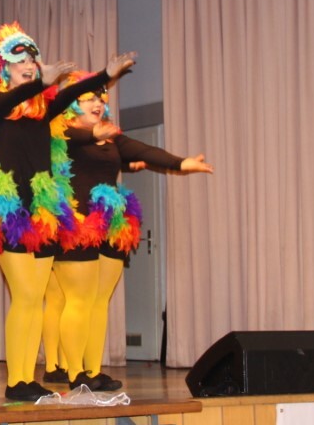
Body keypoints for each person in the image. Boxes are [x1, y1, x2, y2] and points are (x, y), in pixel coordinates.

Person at [0, 22, 135, 401]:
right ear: (4, 67)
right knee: (25, 296)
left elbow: (68, 93)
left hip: (42, 211)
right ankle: (15, 380)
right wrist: (42, 82)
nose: (28, 63)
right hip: (8, 210)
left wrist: (105, 74)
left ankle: (26, 378)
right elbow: (9, 102)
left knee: (35, 298)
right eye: (20, 59)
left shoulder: (43, 111)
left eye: (32, 58)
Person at [53, 73, 213, 390]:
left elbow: (144, 150)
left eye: (100, 99)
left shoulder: (111, 137)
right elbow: (72, 139)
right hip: (76, 223)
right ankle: (74, 374)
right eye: (89, 98)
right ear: (72, 104)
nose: (98, 103)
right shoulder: (61, 134)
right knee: (79, 300)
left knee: (99, 301)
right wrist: (93, 133)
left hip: (110, 222)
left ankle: (93, 370)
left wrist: (182, 163)